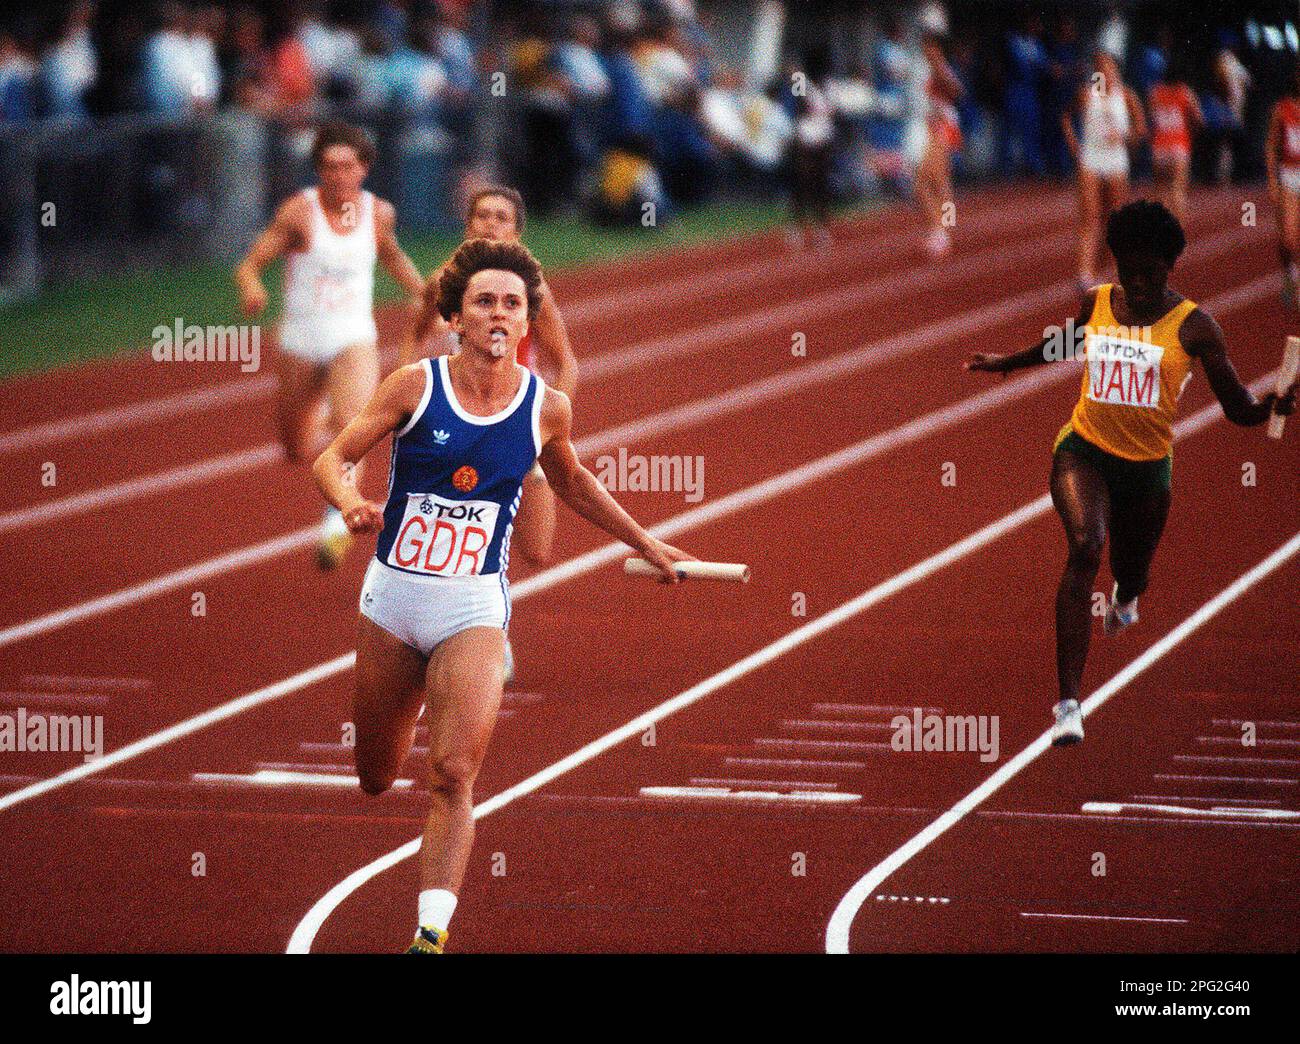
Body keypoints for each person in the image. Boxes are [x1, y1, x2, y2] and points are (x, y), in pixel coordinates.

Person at [312, 238, 694, 953]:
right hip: (393, 601)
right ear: (456, 318)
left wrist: (647, 542)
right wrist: (349, 501)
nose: (497, 313)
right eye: (484, 301)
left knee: (453, 772)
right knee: (374, 776)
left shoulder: (546, 407)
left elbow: (574, 481)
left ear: (527, 325)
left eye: (512, 304)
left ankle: (429, 934)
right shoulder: (413, 387)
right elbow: (334, 457)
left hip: (473, 608)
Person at [965, 201, 1298, 746]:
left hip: (1146, 470)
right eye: (1129, 271)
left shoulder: (1196, 328)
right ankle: (1069, 704)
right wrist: (1006, 362)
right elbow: (1067, 343)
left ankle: (1127, 597)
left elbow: (1238, 409)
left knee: (1131, 569)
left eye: (1152, 273)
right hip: (1084, 451)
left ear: (1171, 267)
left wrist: (1273, 407)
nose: (1139, 283)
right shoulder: (1097, 301)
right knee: (1085, 548)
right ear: (1116, 264)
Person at [235, 120, 426, 568]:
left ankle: (338, 521)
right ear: (318, 168)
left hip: (352, 337)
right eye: (329, 166)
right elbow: (252, 262)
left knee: (353, 429)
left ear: (364, 168)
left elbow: (392, 255)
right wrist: (251, 287)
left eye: (347, 166)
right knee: (295, 447)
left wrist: (424, 295)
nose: (338, 175)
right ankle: (317, 414)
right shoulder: (299, 212)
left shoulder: (379, 213)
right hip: (301, 341)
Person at [401, 185, 577, 569]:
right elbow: (413, 337)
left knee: (536, 550)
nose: (490, 225)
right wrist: (405, 395)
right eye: (482, 216)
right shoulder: (441, 282)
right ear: (467, 225)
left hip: (513, 414)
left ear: (515, 233)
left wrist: (547, 426)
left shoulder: (531, 292)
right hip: (454, 414)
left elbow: (565, 361)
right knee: (444, 524)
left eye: (502, 219)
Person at [1062, 51, 1146, 291]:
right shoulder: (1087, 95)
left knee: (1114, 219)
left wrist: (1124, 136)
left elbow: (1140, 129)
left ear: (1117, 70)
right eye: (1100, 68)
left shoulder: (1127, 96)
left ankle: (1103, 267)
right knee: (1089, 216)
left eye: (1109, 68)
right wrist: (1074, 145)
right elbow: (1066, 116)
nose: (1105, 73)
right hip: (1090, 159)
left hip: (1116, 161)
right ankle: (1084, 274)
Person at [1147, 65, 1202, 225]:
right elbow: (1198, 118)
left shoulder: (1154, 93)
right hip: (1179, 146)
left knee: (1160, 191)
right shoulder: (1185, 92)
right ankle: (1176, 229)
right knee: (1177, 190)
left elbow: (1152, 119)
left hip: (1160, 146)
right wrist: (1191, 132)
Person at [1266, 63, 1300, 310]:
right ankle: (1290, 273)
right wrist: (1272, 181)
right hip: (1289, 174)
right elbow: (1271, 146)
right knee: (1288, 239)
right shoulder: (1282, 109)